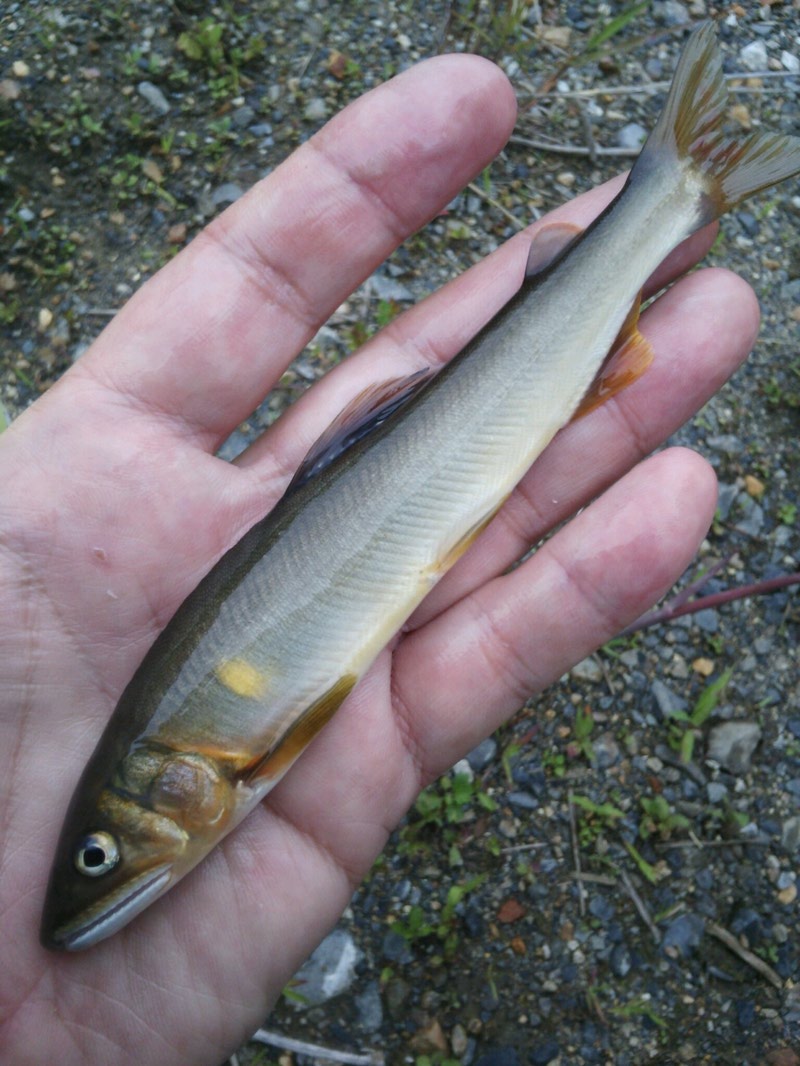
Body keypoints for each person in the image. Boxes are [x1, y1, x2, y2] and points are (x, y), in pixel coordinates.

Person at [0, 52, 759, 1065]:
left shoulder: (219, 763)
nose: (113, 866)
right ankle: (662, 205)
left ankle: (663, 202)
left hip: (432, 458)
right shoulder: (206, 778)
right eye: (103, 856)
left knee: (531, 390)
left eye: (107, 850)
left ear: (171, 786)